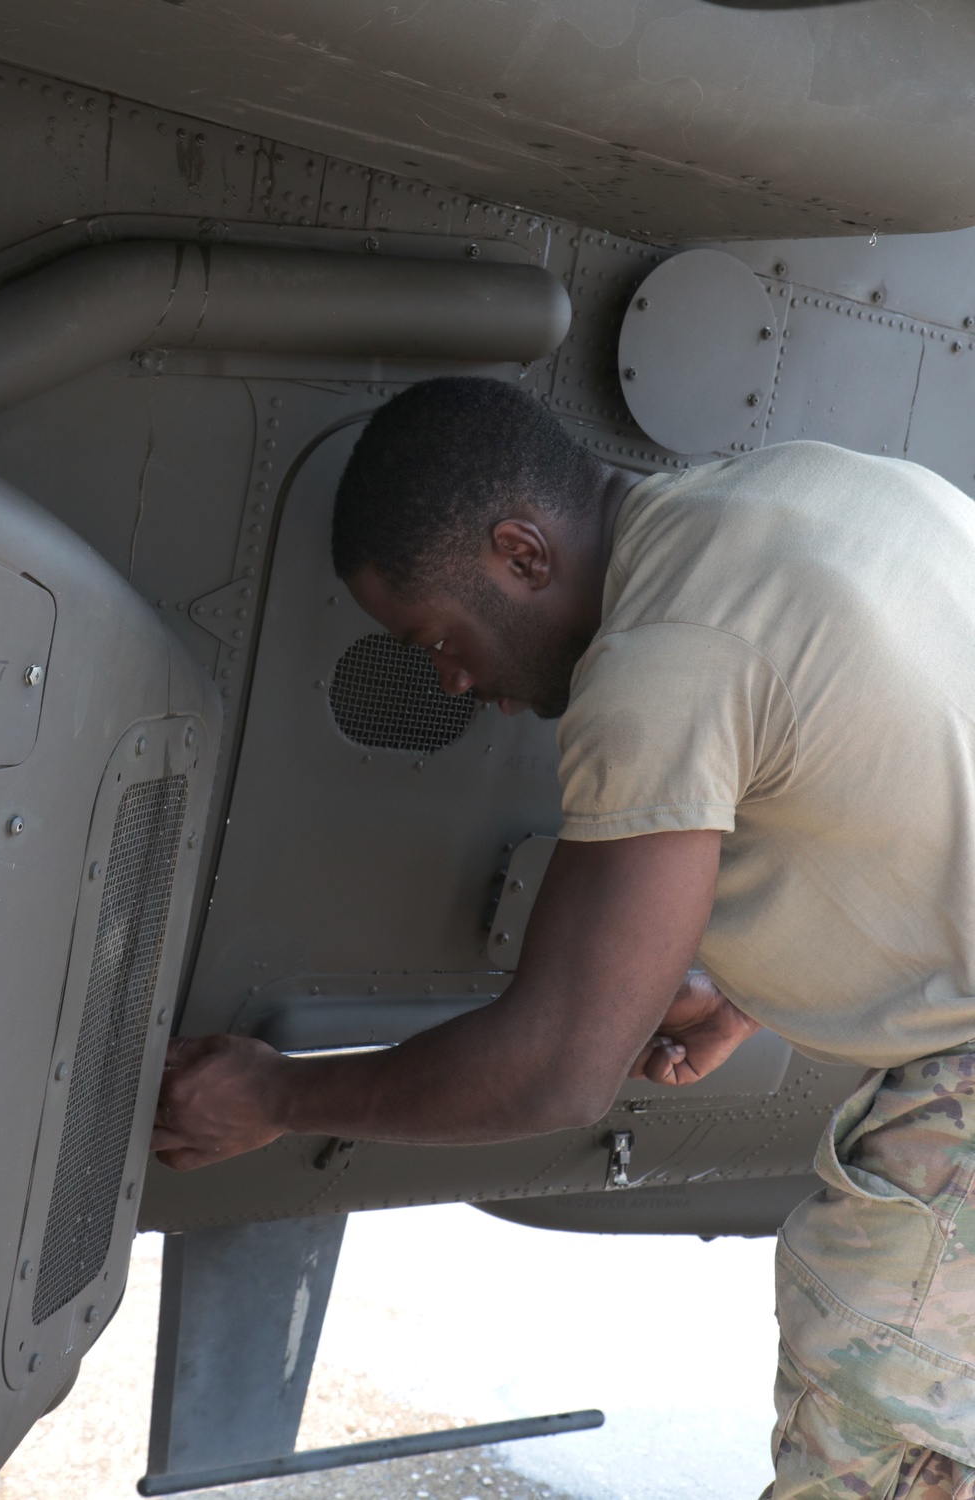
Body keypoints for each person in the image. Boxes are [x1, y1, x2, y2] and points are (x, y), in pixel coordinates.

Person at [153, 375, 975, 1499]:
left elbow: (556, 1071)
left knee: (879, 1416)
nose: (446, 675)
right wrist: (751, 986)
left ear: (520, 555)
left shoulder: (656, 663)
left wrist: (275, 1099)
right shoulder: (799, 490)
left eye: (432, 635)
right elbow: (895, 766)